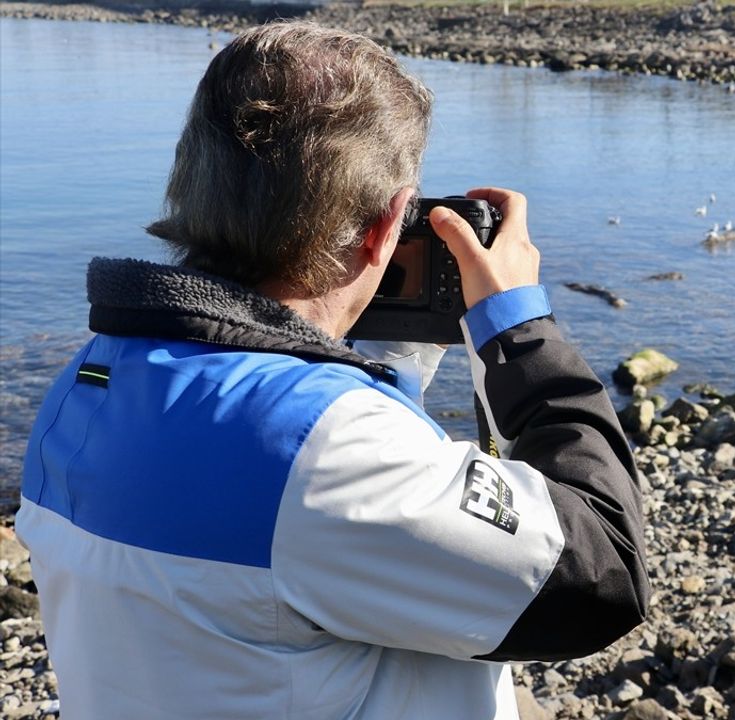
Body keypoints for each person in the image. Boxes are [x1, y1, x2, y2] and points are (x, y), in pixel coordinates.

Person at [17, 21, 649, 719]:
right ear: (387, 226)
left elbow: (292, 572)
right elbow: (602, 575)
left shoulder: (85, 385)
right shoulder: (324, 448)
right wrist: (518, 333)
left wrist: (365, 358)